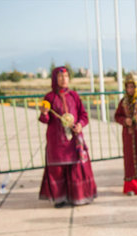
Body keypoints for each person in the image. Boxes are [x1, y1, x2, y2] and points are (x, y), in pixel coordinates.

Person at [38, 67, 97, 207]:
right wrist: (44, 113)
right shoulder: (49, 98)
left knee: (77, 168)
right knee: (58, 169)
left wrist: (80, 125)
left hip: (74, 139)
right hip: (57, 140)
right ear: (54, 79)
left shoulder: (74, 96)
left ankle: (78, 197)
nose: (63, 79)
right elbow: (45, 120)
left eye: (66, 76)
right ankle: (60, 199)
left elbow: (84, 115)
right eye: (60, 76)